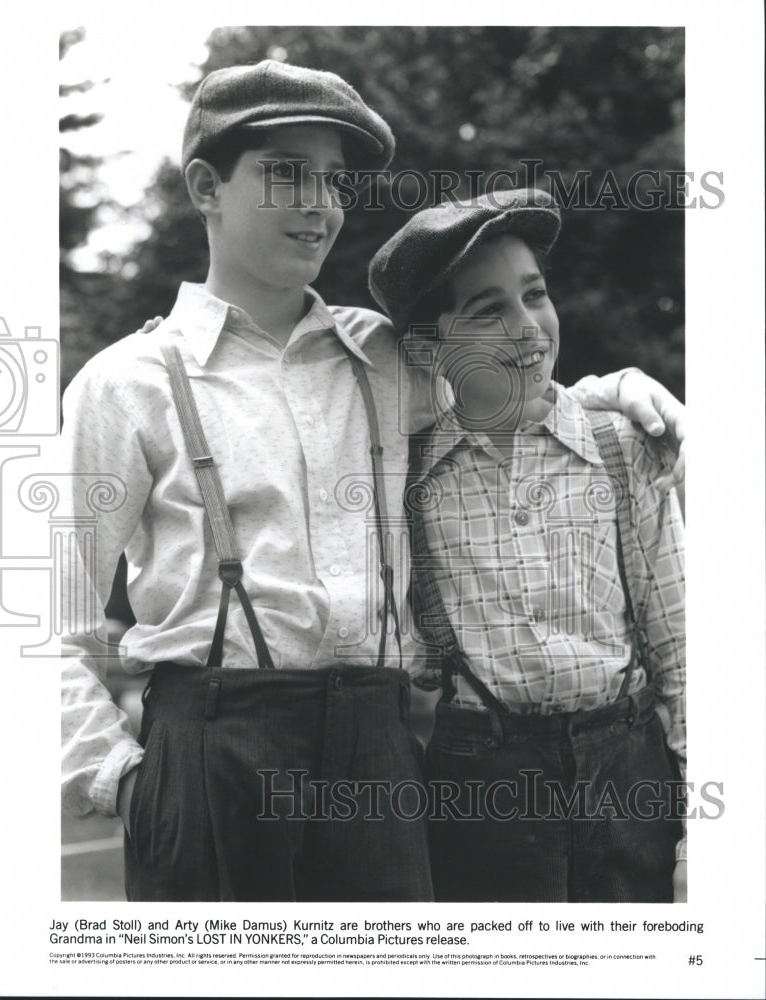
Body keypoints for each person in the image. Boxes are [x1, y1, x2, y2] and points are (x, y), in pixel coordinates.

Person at [61, 60, 686, 903]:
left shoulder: (384, 356)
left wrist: (616, 389)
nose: (320, 202)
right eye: (287, 174)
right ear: (207, 186)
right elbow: (40, 620)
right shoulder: (125, 382)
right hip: (213, 744)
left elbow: (515, 376)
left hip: (376, 747)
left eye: (333, 180)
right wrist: (119, 778)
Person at [368, 188, 686, 903]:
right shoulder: (406, 475)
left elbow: (682, 645)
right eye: (488, 310)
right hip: (479, 781)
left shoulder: (620, 447)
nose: (527, 327)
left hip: (625, 766)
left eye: (535, 295)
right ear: (432, 346)